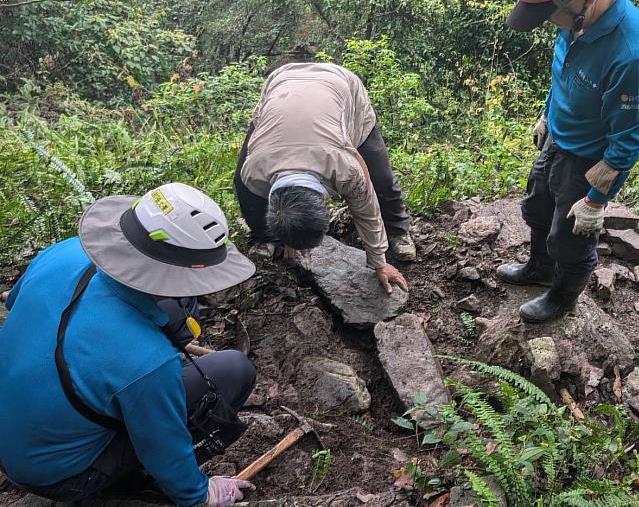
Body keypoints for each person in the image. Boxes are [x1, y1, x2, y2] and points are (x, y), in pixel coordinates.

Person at [0, 183, 258, 507]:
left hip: (15, 433)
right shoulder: (146, 362)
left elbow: (16, 306)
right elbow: (161, 446)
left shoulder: (64, 252)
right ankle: (127, 485)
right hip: (56, 476)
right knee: (233, 371)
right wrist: (201, 494)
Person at [496, 0, 639, 322]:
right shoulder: (573, 18)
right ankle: (538, 269)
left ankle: (562, 298)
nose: (551, 24)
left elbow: (628, 138)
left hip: (589, 157)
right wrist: (547, 114)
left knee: (571, 237)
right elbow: (564, 76)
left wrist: (597, 198)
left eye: (552, 14)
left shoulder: (632, 55)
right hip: (558, 136)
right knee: (536, 207)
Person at [234, 59, 414, 294]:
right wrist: (288, 235)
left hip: (341, 86)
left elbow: (366, 210)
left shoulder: (345, 169)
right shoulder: (252, 172)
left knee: (381, 179)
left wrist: (379, 262)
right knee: (240, 184)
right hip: (280, 83)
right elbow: (278, 203)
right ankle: (265, 238)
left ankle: (398, 231)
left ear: (323, 207)